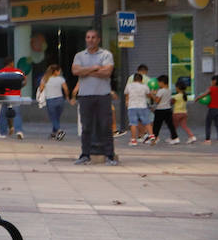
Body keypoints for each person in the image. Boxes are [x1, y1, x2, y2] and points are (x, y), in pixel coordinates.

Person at [72, 28, 117, 165]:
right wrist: (95, 68)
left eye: (93, 37)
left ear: (98, 40)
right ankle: (85, 154)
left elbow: (107, 72)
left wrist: (85, 72)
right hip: (85, 96)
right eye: (88, 37)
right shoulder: (79, 55)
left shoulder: (106, 54)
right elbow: (75, 71)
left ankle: (109, 155)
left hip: (103, 95)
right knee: (86, 127)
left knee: (105, 126)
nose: (90, 40)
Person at [36, 63, 68, 140]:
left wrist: (41, 94)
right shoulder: (61, 79)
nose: (60, 72)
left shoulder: (45, 79)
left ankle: (59, 131)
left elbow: (41, 89)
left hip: (50, 100)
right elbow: (66, 89)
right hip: (60, 100)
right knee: (56, 117)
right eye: (59, 71)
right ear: (55, 71)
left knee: (53, 118)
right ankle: (54, 133)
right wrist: (67, 97)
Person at [124, 72, 151, 146]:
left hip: (132, 106)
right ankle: (151, 136)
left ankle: (133, 140)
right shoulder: (144, 86)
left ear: (133, 79)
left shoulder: (129, 86)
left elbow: (127, 95)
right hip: (143, 106)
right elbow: (148, 95)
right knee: (147, 122)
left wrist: (127, 102)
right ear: (141, 80)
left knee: (133, 123)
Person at [150, 74, 177, 144]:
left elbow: (157, 101)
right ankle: (175, 138)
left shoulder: (161, 91)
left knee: (156, 125)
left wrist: (152, 95)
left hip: (160, 110)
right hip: (168, 109)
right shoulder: (169, 90)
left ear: (162, 82)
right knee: (170, 125)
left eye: (158, 82)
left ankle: (154, 139)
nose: (158, 84)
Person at [204, 76, 218, 144]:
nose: (211, 82)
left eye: (212, 81)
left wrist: (197, 98)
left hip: (212, 109)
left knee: (208, 124)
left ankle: (207, 139)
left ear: (214, 81)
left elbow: (204, 94)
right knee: (217, 124)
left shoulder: (211, 88)